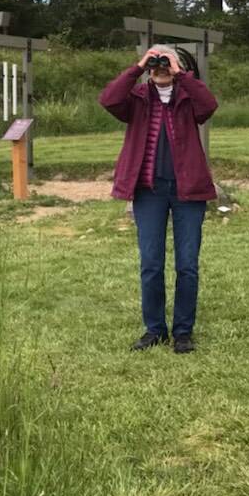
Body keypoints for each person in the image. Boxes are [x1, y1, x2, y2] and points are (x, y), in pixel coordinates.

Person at [99, 44, 218, 353]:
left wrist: (182, 74)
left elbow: (210, 105)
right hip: (148, 191)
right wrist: (138, 67)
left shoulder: (189, 98)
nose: (161, 67)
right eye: (157, 64)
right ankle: (154, 330)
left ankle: (182, 332)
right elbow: (108, 99)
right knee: (151, 263)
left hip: (187, 191)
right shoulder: (137, 99)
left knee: (187, 265)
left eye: (166, 64)